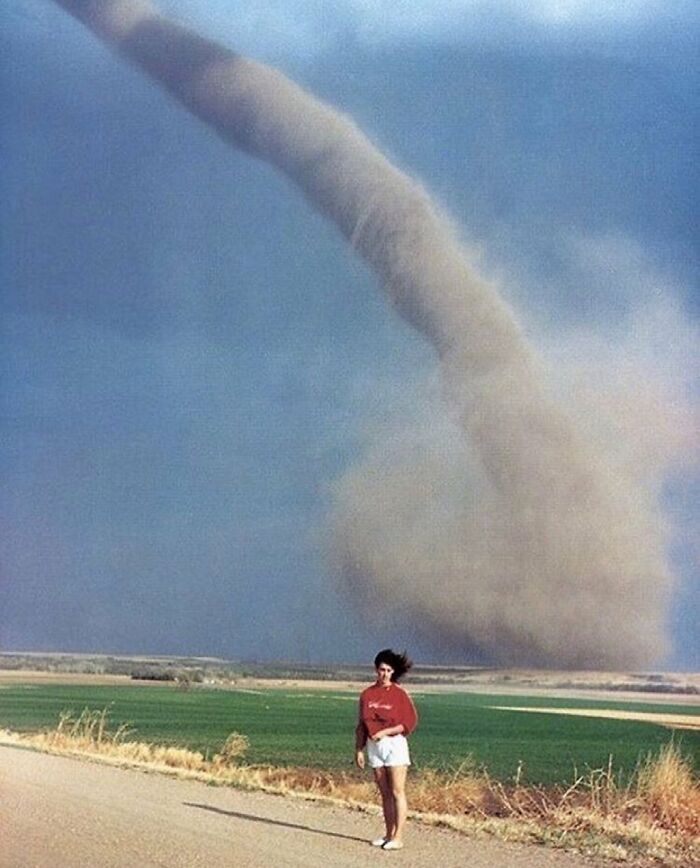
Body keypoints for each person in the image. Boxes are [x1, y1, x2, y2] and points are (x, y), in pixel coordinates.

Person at [355, 649, 418, 851]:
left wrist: (385, 732)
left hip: (394, 744)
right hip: (374, 746)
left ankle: (398, 836)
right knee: (384, 793)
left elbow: (409, 722)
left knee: (397, 790)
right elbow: (362, 724)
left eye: (389, 670)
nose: (384, 674)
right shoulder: (367, 694)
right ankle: (388, 834)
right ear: (376, 670)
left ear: (393, 672)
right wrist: (359, 749)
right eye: (381, 669)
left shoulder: (400, 694)